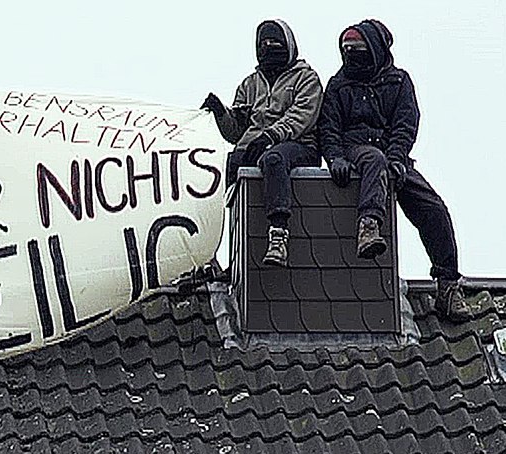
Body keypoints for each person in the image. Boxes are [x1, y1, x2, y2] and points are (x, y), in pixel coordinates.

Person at [318, 19, 471, 320]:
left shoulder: (399, 82)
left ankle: (448, 287)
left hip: (393, 159)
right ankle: (369, 225)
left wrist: (398, 158)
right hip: (357, 153)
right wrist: (335, 157)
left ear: (375, 50)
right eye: (348, 50)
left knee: (434, 208)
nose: (352, 56)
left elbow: (405, 123)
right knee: (373, 159)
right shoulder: (338, 85)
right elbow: (328, 127)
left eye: (359, 50)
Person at [201, 19, 323, 267]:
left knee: (273, 159)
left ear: (288, 45)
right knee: (216, 170)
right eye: (264, 43)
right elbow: (236, 131)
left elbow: (302, 116)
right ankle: (207, 253)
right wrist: (220, 113)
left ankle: (278, 233)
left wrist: (270, 136)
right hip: (255, 145)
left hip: (298, 145)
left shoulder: (306, 78)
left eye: (275, 43)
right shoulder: (249, 84)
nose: (269, 47)